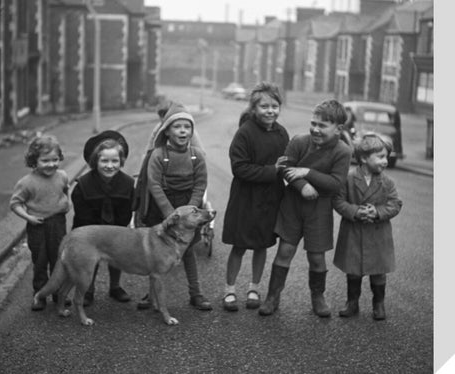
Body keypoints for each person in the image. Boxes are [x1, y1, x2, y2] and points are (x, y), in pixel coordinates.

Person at [259, 99, 352, 317]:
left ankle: (318, 297)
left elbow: (336, 183)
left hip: (319, 210)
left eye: (322, 126)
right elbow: (284, 167)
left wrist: (307, 172)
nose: (315, 129)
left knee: (317, 257)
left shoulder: (343, 151)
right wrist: (302, 186)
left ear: (338, 129)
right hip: (292, 205)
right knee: (285, 251)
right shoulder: (299, 141)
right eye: (313, 123)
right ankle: (272, 296)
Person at [136, 102, 212, 311]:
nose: (183, 131)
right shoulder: (158, 154)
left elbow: (200, 184)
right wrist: (171, 214)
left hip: (188, 206)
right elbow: (154, 184)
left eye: (187, 127)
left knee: (187, 251)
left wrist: (190, 211)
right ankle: (151, 295)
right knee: (157, 250)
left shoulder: (196, 155)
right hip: (162, 207)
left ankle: (196, 293)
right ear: (166, 130)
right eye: (177, 127)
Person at [221, 82, 289, 312]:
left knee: (262, 246)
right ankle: (229, 290)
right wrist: (273, 170)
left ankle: (254, 288)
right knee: (239, 246)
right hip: (246, 200)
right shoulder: (245, 133)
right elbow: (240, 168)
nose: (270, 111)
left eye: (274, 106)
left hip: (270, 200)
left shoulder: (282, 133)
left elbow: (287, 165)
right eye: (264, 106)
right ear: (254, 108)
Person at [333, 133, 402, 320]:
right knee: (353, 270)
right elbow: (338, 201)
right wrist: (355, 211)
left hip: (378, 234)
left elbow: (395, 204)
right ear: (363, 158)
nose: (385, 161)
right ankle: (352, 303)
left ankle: (378, 304)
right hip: (353, 232)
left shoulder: (387, 182)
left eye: (386, 157)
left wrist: (377, 212)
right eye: (380, 157)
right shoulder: (348, 179)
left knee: (378, 272)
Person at [71, 130, 135, 306]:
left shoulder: (127, 184)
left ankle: (115, 286)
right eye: (104, 161)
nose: (109, 165)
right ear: (95, 161)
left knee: (118, 256)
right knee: (90, 260)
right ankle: (88, 289)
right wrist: (97, 236)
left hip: (116, 229)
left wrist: (117, 231)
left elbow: (126, 212)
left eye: (114, 161)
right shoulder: (83, 186)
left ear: (121, 162)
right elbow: (82, 216)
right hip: (89, 231)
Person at [10, 135, 71, 311]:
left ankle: (58, 293)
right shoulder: (26, 182)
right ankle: (40, 295)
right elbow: (15, 204)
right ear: (34, 160)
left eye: (55, 159)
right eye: (45, 160)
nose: (51, 164)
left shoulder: (62, 175)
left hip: (58, 223)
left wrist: (67, 202)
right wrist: (29, 218)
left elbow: (65, 190)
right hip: (38, 225)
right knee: (40, 261)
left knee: (58, 260)